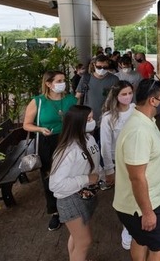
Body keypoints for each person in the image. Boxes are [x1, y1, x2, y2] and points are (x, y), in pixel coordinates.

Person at [113, 79, 160, 261]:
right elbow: (137, 178)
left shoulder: (145, 120)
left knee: (140, 239)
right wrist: (147, 213)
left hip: (143, 202)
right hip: (142, 206)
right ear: (153, 101)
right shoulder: (139, 131)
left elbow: (143, 155)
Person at [23, 70, 78, 231]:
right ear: (48, 84)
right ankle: (55, 211)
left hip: (68, 140)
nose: (63, 83)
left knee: (71, 173)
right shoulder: (38, 102)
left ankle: (72, 204)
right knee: (50, 177)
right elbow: (27, 124)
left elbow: (78, 118)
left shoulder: (70, 99)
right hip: (47, 142)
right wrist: (40, 129)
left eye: (63, 80)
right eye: (59, 80)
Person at [49, 105, 101, 261]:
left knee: (77, 238)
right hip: (70, 199)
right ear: (78, 123)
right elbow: (55, 184)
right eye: (89, 119)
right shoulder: (67, 150)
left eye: (93, 118)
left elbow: (94, 163)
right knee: (84, 242)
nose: (93, 122)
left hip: (86, 195)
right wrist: (86, 179)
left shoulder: (89, 138)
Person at [100, 80, 136, 250]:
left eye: (130, 93)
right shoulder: (108, 118)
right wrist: (109, 169)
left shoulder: (136, 110)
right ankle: (127, 228)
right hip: (119, 162)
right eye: (124, 94)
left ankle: (136, 223)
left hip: (137, 159)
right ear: (116, 96)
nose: (128, 97)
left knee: (138, 193)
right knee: (124, 196)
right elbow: (105, 145)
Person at [76, 54, 120, 135]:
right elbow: (78, 96)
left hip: (107, 118)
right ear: (94, 65)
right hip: (89, 118)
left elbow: (117, 99)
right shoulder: (86, 78)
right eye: (99, 67)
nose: (102, 69)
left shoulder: (114, 79)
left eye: (105, 67)